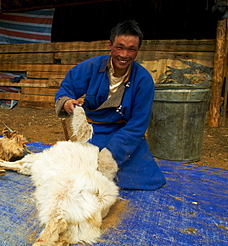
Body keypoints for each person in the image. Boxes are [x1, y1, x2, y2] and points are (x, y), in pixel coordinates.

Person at [54, 20, 166, 190]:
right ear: (110, 45)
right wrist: (67, 101)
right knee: (79, 170)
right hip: (92, 131)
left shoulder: (143, 80)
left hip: (124, 136)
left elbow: (138, 125)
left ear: (138, 51)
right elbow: (66, 89)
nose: (124, 54)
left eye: (131, 49)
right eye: (119, 47)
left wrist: (111, 154)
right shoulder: (91, 67)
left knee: (146, 176)